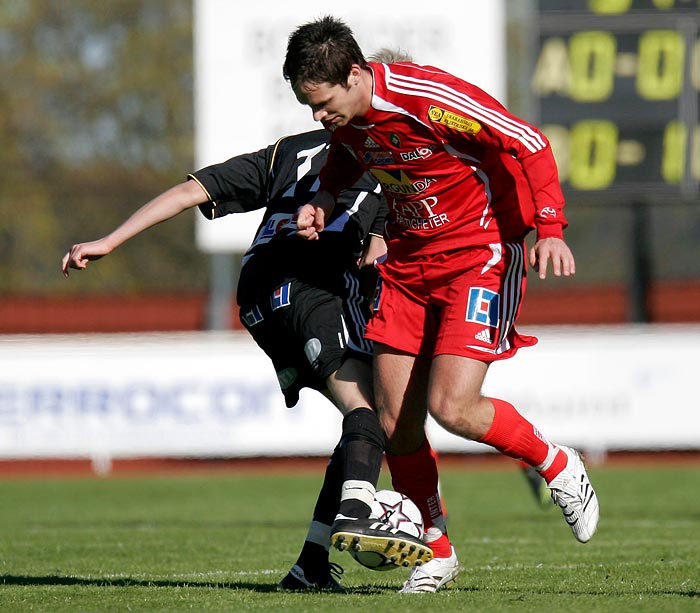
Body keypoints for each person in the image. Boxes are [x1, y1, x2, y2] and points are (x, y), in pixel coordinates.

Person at [283, 15, 600, 593]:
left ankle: (556, 464)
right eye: (310, 107)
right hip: (407, 269)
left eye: (323, 103)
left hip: (477, 255)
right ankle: (437, 548)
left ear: (355, 74)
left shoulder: (426, 98)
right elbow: (345, 159)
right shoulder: (349, 121)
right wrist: (326, 199)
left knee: (453, 407)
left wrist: (550, 227)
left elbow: (527, 141)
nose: (318, 117)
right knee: (395, 423)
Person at [61, 128, 434, 591]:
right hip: (309, 290)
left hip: (259, 298)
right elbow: (377, 255)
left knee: (363, 423)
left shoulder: (289, 151)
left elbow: (187, 192)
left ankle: (311, 565)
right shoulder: (388, 169)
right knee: (373, 412)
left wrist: (109, 241)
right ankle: (358, 512)